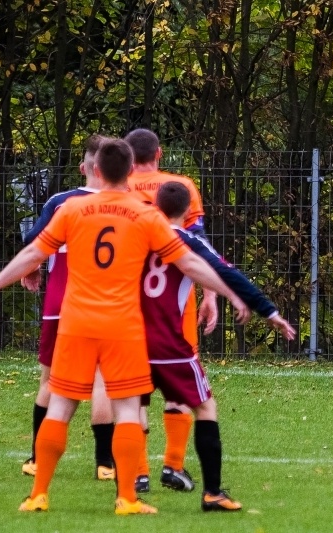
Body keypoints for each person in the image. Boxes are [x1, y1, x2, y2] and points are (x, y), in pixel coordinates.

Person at [0, 137, 251, 515]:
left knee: (60, 405)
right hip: (123, 326)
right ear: (132, 170)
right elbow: (191, 263)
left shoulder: (72, 208)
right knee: (126, 410)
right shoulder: (145, 213)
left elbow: (33, 253)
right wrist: (230, 293)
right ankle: (127, 498)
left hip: (75, 323)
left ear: (96, 170)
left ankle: (38, 494)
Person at [146, 181, 296, 511]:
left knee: (130, 409)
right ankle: (212, 492)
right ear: (187, 211)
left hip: (129, 338)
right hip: (168, 342)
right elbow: (227, 272)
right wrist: (266, 309)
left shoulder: (137, 234)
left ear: (155, 205)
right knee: (204, 407)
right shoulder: (185, 240)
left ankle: (129, 487)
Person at [123, 128, 215, 494]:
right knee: (180, 386)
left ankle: (138, 472)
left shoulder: (118, 191)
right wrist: (211, 294)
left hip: (129, 306)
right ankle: (173, 466)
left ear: (128, 158)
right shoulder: (181, 186)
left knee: (133, 392)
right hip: (174, 308)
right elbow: (200, 247)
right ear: (159, 153)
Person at [19, 135, 114, 481]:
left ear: (83, 167)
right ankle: (106, 463)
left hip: (61, 305)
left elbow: (34, 244)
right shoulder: (125, 204)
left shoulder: (61, 203)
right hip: (106, 307)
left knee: (51, 381)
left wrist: (30, 270)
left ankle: (35, 458)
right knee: (103, 382)